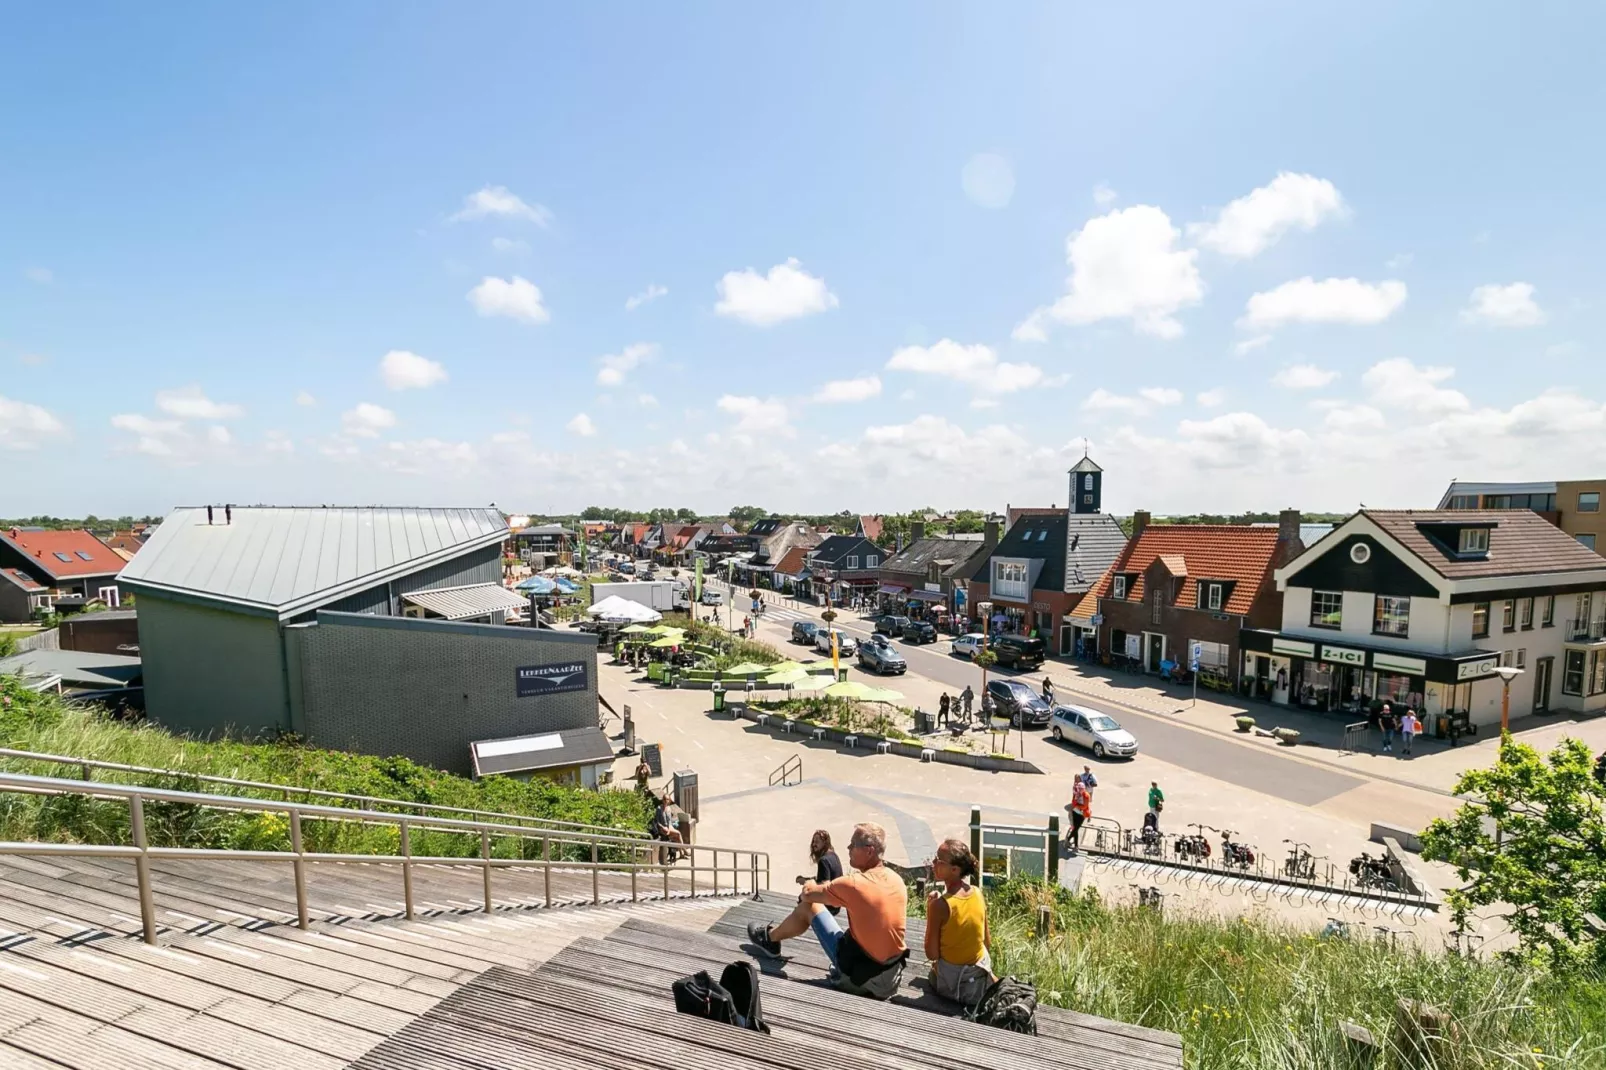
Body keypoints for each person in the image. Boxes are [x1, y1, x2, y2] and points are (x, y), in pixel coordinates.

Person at [749, 822, 908, 1000]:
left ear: (869, 851)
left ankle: (770, 939)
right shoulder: (897, 880)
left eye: (853, 845)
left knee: (809, 906)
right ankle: (772, 938)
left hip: (859, 980)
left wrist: (809, 882)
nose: (848, 848)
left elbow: (809, 894)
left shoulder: (855, 884)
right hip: (892, 977)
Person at [924, 839, 992, 1005]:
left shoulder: (940, 905)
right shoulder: (976, 892)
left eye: (938, 861)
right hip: (980, 970)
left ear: (954, 869)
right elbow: (987, 943)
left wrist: (930, 908)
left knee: (930, 977)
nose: (933, 863)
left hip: (953, 980)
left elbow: (931, 954)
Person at [650, 793, 684, 862]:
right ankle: (683, 852)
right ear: (662, 800)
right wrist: (663, 827)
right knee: (678, 835)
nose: (666, 801)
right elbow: (657, 821)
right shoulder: (659, 808)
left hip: (669, 827)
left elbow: (670, 821)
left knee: (678, 835)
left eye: (667, 799)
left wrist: (669, 828)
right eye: (664, 799)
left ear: (669, 801)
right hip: (662, 828)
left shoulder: (669, 808)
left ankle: (682, 853)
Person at [1066, 776, 1092, 855]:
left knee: (1076, 828)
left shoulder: (1086, 795)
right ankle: (1076, 846)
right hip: (1075, 812)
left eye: (1081, 789)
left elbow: (1085, 806)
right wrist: (1076, 802)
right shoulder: (1076, 793)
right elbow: (1073, 803)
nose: (1080, 790)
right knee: (1075, 829)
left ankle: (1068, 839)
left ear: (1084, 789)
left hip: (1082, 814)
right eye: (1079, 789)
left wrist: (1077, 806)